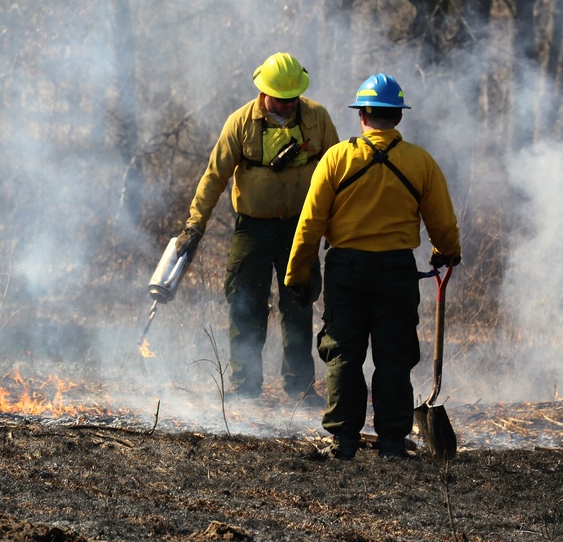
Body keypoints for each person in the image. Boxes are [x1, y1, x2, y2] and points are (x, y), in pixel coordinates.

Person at [284, 73, 462, 459]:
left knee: (344, 353)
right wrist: (445, 252)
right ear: (397, 117)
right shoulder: (421, 162)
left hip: (345, 269)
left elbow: (310, 222)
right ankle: (393, 443)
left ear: (361, 115)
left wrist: (297, 273)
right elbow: (443, 223)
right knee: (394, 355)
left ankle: (343, 441)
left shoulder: (337, 157)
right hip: (396, 272)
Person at [176, 52, 339, 406]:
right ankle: (244, 386)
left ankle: (299, 387)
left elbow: (336, 172)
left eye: (293, 97)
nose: (288, 104)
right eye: (282, 98)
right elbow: (215, 175)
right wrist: (195, 224)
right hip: (253, 229)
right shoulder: (240, 123)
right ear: (264, 92)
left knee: (298, 303)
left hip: (301, 228)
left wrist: (336, 228)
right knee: (245, 303)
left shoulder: (317, 119)